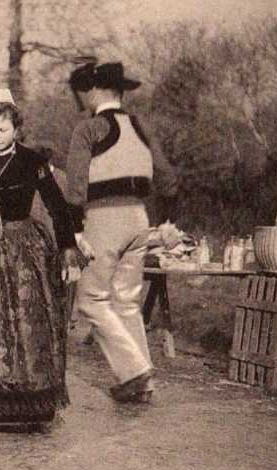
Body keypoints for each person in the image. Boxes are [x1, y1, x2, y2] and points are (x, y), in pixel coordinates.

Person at [0, 89, 87, 432]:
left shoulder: (32, 161)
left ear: (16, 128)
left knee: (28, 319)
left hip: (26, 248)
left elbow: (56, 205)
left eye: (2, 130)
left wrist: (67, 247)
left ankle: (31, 402)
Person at [65, 62, 179, 403]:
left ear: (97, 91)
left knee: (90, 300)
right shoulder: (141, 128)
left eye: (86, 92)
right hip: (139, 217)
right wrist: (167, 220)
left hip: (104, 216)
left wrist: (74, 230)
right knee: (126, 301)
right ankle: (141, 382)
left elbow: (75, 186)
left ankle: (134, 371)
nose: (83, 97)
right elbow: (168, 179)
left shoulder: (89, 129)